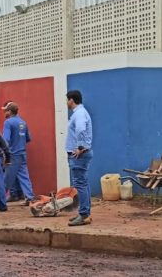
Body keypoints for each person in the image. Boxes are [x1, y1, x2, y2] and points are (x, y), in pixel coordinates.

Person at [65, 90, 93, 226]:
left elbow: (81, 129)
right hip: (82, 154)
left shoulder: (79, 114)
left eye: (67, 100)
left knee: (80, 184)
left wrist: (80, 147)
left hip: (79, 155)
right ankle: (85, 212)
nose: (66, 102)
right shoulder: (80, 113)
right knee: (84, 183)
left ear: (71, 100)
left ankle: (84, 215)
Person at [1, 101, 36, 206]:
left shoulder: (8, 122)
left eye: (5, 111)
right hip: (22, 154)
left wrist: (3, 153)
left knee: (7, 178)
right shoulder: (23, 122)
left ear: (10, 111)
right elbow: (28, 138)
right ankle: (30, 197)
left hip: (12, 154)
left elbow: (5, 139)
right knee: (24, 176)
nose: (4, 113)